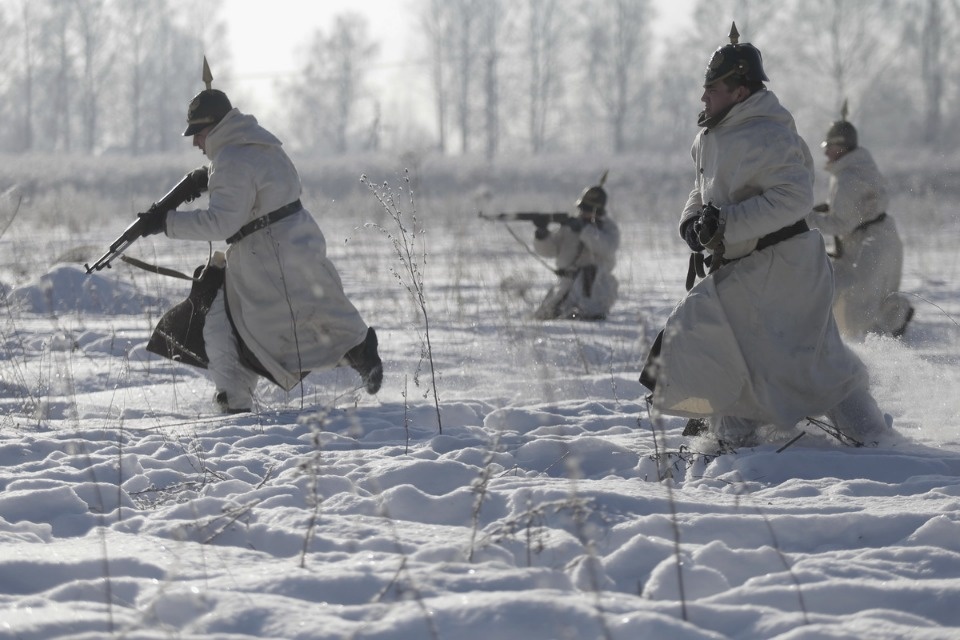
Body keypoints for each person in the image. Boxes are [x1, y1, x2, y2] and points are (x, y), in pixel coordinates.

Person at [639, 23, 890, 448]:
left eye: (712, 88)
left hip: (787, 268)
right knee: (728, 348)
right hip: (745, 269)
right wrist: (693, 221)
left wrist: (725, 224)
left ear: (739, 91)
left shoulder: (771, 134)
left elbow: (793, 199)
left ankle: (877, 442)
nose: (704, 97)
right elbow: (703, 190)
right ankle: (731, 443)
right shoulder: (710, 136)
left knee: (813, 364)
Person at [140, 64, 382, 413]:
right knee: (285, 318)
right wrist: (208, 179)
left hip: (265, 259)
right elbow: (256, 187)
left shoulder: (230, 159)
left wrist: (167, 222)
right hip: (295, 242)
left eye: (198, 133)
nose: (194, 142)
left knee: (229, 326)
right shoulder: (261, 145)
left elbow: (221, 223)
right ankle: (357, 349)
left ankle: (236, 399)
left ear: (214, 128)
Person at [808, 103, 914, 340]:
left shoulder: (847, 177)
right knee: (869, 300)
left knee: (859, 311)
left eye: (830, 147)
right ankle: (895, 323)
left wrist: (806, 217)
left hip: (870, 246)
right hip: (883, 238)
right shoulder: (860, 168)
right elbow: (852, 210)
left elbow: (840, 224)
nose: (826, 153)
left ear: (842, 147)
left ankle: (884, 346)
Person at [532, 176, 620, 321]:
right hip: (565, 284)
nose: (583, 212)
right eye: (583, 208)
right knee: (544, 316)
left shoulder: (608, 228)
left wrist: (584, 230)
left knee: (584, 316)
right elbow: (550, 250)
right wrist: (542, 235)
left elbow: (607, 248)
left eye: (588, 209)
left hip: (594, 287)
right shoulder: (569, 226)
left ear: (598, 211)